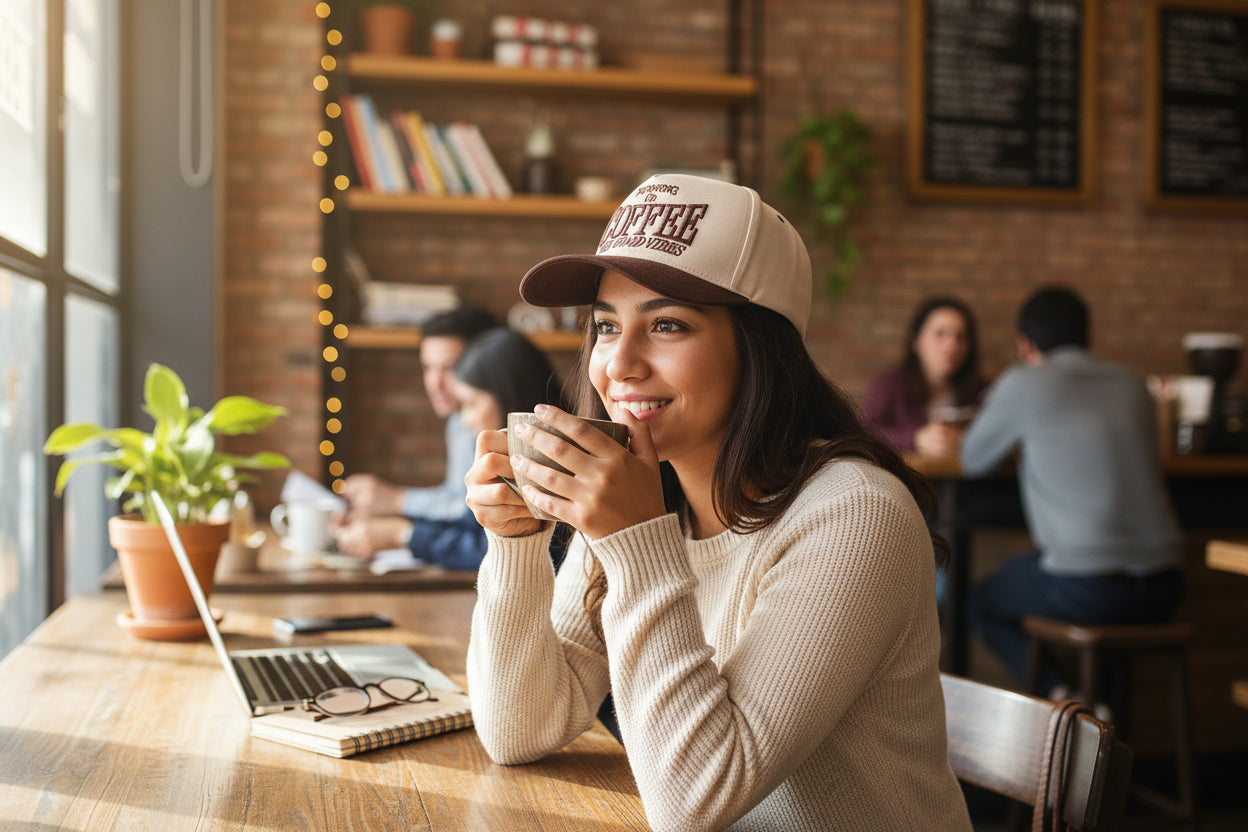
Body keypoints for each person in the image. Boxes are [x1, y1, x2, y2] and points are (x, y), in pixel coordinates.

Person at [462, 174, 972, 832]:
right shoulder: (644, 499)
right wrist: (514, 544)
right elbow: (520, 731)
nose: (618, 363)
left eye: (667, 324)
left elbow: (694, 802)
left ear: (760, 348)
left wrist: (636, 542)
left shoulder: (854, 514)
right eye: (606, 326)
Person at [960, 286, 1184, 690]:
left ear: (1025, 346)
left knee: (979, 601)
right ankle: (1101, 716)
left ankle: (1064, 704)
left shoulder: (1023, 382)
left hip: (1086, 590)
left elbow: (971, 461)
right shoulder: (1134, 385)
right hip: (1166, 586)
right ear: (1090, 338)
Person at [335, 327, 561, 570]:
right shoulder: (507, 463)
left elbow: (488, 550)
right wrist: (389, 526)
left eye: (471, 404)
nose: (464, 421)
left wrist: (402, 534)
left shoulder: (548, 467)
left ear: (509, 398)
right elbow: (469, 523)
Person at [336, 304, 497, 522]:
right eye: (428, 368)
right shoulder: (457, 420)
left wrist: (396, 501)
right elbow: (456, 498)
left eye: (450, 368)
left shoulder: (495, 424)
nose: (435, 383)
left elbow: (470, 514)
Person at [863, 296, 988, 457]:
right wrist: (916, 439)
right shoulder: (889, 384)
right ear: (917, 341)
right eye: (940, 334)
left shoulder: (982, 389)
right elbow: (865, 433)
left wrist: (964, 438)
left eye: (960, 336)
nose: (952, 345)